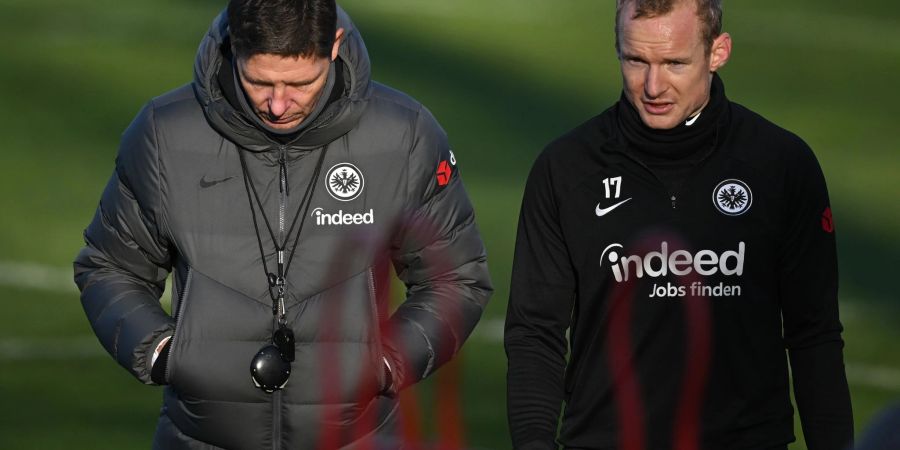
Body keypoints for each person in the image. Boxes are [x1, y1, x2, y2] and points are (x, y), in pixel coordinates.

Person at [73, 1, 492, 448]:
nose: (277, 104)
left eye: (299, 83)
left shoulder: (404, 135)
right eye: (258, 82)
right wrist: (162, 354)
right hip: (197, 438)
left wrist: (385, 364)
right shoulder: (163, 134)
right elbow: (109, 267)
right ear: (234, 47)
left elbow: (456, 278)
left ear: (334, 45)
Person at [504, 0, 853, 449]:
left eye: (674, 62)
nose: (653, 85)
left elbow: (815, 334)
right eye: (635, 60)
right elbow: (535, 333)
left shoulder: (781, 165)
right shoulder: (565, 169)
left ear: (718, 52)